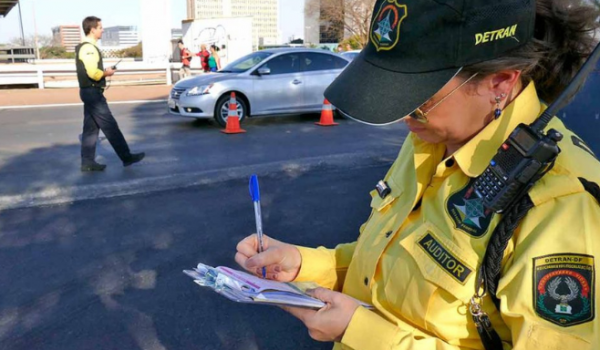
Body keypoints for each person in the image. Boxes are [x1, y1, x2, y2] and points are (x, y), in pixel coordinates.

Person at [235, 0, 600, 349]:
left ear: (500, 83)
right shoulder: (431, 139)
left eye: (419, 98)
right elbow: (384, 262)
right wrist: (304, 264)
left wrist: (360, 331)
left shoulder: (563, 205)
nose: (403, 116)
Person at [75, 16, 145, 172]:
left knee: (90, 129)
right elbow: (93, 73)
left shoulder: (86, 47)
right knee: (110, 126)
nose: (102, 30)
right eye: (100, 27)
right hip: (93, 93)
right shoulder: (88, 48)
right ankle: (126, 157)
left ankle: (87, 163)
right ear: (92, 29)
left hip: (88, 92)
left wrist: (104, 73)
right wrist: (106, 73)